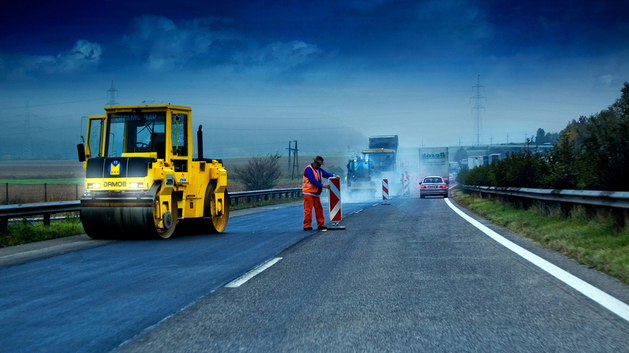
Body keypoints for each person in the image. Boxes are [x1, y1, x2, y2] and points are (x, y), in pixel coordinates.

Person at [302, 156, 336, 230]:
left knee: (319, 209)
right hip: (308, 192)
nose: (320, 165)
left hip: (316, 193)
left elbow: (326, 174)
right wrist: (323, 186)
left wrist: (334, 176)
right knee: (308, 210)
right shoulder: (309, 169)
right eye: (319, 164)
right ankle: (306, 225)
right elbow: (312, 180)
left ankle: (320, 224)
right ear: (315, 162)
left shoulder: (319, 170)